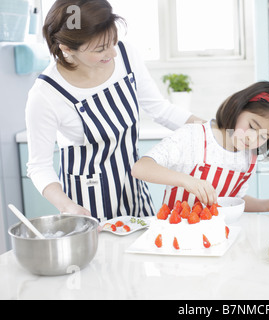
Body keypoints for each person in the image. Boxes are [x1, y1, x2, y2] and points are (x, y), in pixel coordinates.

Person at [25, 0, 202, 221]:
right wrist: (67, 205)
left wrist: (213, 132)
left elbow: (160, 109)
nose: (113, 53)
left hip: (133, 186)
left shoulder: (126, 55)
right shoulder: (46, 95)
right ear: (67, 48)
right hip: (85, 200)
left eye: (113, 42)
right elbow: (38, 166)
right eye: (101, 49)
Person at [132, 81, 269, 217]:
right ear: (237, 107)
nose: (252, 139)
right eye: (252, 126)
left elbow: (235, 200)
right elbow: (140, 168)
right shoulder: (194, 136)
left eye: (264, 137)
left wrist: (267, 205)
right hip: (176, 236)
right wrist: (187, 180)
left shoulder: (248, 158)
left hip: (216, 238)